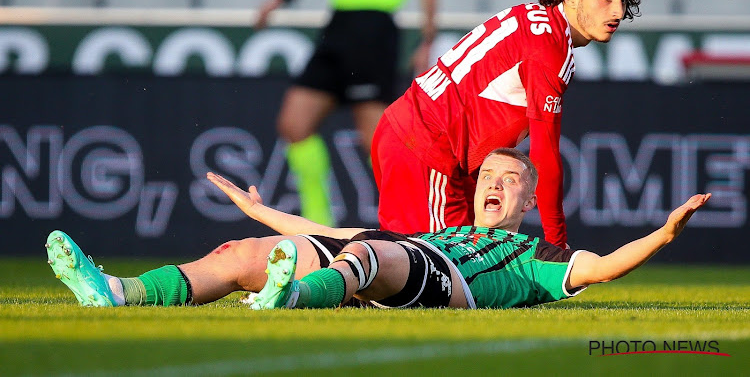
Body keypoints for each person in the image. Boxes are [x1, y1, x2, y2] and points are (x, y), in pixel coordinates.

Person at [46, 149, 709, 311]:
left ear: (532, 199)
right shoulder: (440, 230)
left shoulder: (540, 257)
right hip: (406, 254)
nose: (493, 185)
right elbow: (329, 230)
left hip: (434, 280)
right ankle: (118, 292)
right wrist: (262, 216)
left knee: (367, 255)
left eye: (510, 181)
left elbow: (604, 267)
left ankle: (292, 298)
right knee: (243, 252)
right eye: (487, 176)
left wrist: (665, 234)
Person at [373, 0, 643, 247]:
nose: (618, 11)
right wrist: (556, 243)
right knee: (429, 269)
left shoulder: (532, 17)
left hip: (418, 142)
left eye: (623, 0)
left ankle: (333, 262)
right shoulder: (550, 49)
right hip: (427, 151)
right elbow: (544, 155)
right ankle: (323, 265)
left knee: (443, 267)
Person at [254, 0, 441, 227]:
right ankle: (318, 225)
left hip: (375, 28)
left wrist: (427, 38)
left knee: (377, 141)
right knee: (294, 124)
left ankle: (415, 227)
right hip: (338, 24)